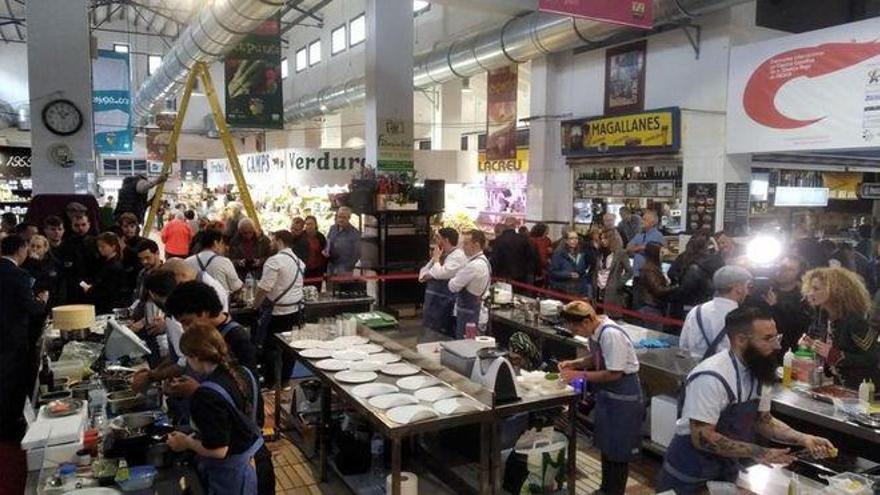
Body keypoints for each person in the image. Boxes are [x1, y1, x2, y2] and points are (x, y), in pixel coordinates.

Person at [656, 307, 836, 493]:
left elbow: (763, 420)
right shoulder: (712, 376)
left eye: (776, 337)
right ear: (740, 340)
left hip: (726, 469)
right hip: (689, 473)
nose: (777, 346)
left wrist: (803, 438)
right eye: (767, 339)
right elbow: (703, 438)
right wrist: (761, 452)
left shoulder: (760, 370)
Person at [165, 323, 265, 495]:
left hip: (230, 474)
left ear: (195, 357)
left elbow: (219, 451)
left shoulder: (206, 395)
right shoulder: (242, 372)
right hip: (253, 461)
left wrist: (186, 442)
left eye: (187, 357)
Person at [557, 300, 642, 495]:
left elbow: (614, 373)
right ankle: (605, 489)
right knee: (607, 447)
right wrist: (575, 363)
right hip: (608, 396)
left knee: (619, 452)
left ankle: (614, 492)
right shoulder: (596, 333)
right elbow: (597, 358)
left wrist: (578, 375)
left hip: (624, 398)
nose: (576, 332)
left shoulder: (611, 334)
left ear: (587, 321)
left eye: (576, 328)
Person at [0, 235, 48, 441]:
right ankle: (9, 425)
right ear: (21, 250)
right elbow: (30, 307)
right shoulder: (18, 274)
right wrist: (42, 302)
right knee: (10, 380)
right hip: (12, 336)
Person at [802, 267, 878, 388]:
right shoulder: (822, 315)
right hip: (836, 385)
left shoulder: (855, 321)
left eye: (816, 288)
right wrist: (812, 345)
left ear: (836, 291)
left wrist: (836, 355)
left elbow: (873, 358)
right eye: (810, 288)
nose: (810, 293)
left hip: (861, 389)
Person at [165, 281, 257, 373]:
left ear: (205, 311)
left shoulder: (236, 337)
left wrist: (197, 387)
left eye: (188, 322)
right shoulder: (203, 334)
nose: (185, 329)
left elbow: (248, 381)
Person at [254, 230, 305, 388]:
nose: (270, 243)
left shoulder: (274, 261)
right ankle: (285, 381)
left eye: (272, 240)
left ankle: (270, 383)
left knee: (270, 348)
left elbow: (264, 287)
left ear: (279, 240)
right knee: (290, 348)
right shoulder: (299, 262)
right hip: (295, 311)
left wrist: (255, 305)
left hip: (276, 312)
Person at [679, 265, 753, 360]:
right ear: (738, 288)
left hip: (695, 370)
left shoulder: (696, 311)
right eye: (748, 286)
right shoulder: (742, 318)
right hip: (725, 373)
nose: (748, 292)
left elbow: (683, 345)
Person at [419, 227, 467, 336]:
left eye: (438, 238)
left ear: (446, 240)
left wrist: (436, 260)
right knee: (428, 331)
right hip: (432, 301)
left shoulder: (458, 256)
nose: (436, 241)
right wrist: (435, 262)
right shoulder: (441, 254)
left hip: (445, 302)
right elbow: (423, 274)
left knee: (441, 333)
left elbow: (441, 273)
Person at [763, 255, 812, 358]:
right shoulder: (765, 289)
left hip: (790, 351)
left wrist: (775, 307)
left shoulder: (804, 296)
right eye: (781, 267)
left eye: (790, 269)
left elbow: (800, 326)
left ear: (799, 273)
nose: (783, 271)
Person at [448, 229, 492, 338]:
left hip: (469, 317)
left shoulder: (474, 266)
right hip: (474, 313)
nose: (463, 247)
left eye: (466, 243)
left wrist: (455, 277)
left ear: (476, 245)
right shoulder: (484, 261)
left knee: (465, 349)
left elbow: (453, 286)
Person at [667, 232, 716, 315]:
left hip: (683, 304)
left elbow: (671, 273)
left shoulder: (684, 257)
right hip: (701, 304)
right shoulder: (709, 261)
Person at [57, 213, 99, 305]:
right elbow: (66, 271)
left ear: (89, 224)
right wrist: (81, 283)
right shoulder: (66, 245)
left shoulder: (97, 243)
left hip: (95, 287)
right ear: (71, 226)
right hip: (73, 289)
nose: (80, 228)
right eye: (77, 225)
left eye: (83, 224)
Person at [186, 229, 243, 296]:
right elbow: (237, 287)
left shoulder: (187, 262)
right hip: (219, 304)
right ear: (215, 243)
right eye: (222, 243)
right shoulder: (224, 262)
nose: (224, 247)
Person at [85, 232, 130, 315]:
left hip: (109, 308)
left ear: (113, 247)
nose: (100, 249)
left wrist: (91, 289)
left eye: (103, 246)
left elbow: (109, 290)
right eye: (98, 246)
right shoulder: (106, 263)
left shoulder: (114, 266)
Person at [626, 210, 665, 307]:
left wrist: (639, 248)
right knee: (636, 303)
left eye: (645, 219)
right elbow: (628, 248)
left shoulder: (658, 236)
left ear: (652, 222)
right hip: (637, 275)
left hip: (649, 276)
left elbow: (651, 250)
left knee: (647, 304)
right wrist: (641, 247)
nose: (642, 221)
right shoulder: (639, 235)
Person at [163, 258, 229, 311]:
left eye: (173, 280)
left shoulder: (209, 290)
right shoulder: (199, 285)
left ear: (182, 275)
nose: (174, 286)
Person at [592, 228, 632, 315]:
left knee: (609, 317)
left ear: (612, 239)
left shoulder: (621, 253)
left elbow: (629, 271)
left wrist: (618, 283)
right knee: (597, 315)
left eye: (605, 238)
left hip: (612, 291)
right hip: (598, 289)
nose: (603, 241)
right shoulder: (599, 252)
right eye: (601, 238)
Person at [635, 243, 673, 330]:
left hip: (654, 307)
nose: (663, 256)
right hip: (651, 308)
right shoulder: (649, 270)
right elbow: (658, 289)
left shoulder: (654, 268)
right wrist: (675, 287)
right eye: (661, 253)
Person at [22, 234, 64, 308]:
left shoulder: (54, 263)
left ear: (45, 248)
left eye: (38, 247)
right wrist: (33, 262)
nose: (34, 249)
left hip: (51, 301)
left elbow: (59, 284)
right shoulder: (24, 263)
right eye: (32, 246)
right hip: (32, 301)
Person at [490, 216, 536, 284]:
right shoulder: (522, 239)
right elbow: (530, 257)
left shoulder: (498, 240)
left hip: (503, 276)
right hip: (521, 275)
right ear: (515, 225)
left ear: (505, 225)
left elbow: (495, 259)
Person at [548, 230, 590, 296]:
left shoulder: (581, 254)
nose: (574, 240)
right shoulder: (558, 254)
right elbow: (552, 272)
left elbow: (583, 274)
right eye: (571, 238)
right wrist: (569, 274)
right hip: (562, 290)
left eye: (576, 238)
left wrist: (585, 293)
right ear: (566, 241)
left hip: (577, 291)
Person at [324, 206, 361, 275]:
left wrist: (347, 268)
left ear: (349, 218)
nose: (341, 219)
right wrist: (326, 250)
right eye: (339, 217)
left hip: (345, 271)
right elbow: (328, 243)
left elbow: (357, 254)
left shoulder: (355, 233)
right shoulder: (332, 229)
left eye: (344, 217)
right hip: (331, 268)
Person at [118, 213, 145, 294]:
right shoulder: (119, 240)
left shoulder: (142, 242)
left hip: (133, 282)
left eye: (132, 226)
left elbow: (138, 259)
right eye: (125, 227)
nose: (129, 229)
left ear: (136, 227)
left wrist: (125, 248)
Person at [302, 215, 327, 289]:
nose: (309, 226)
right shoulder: (301, 236)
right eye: (307, 224)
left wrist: (325, 270)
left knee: (316, 290)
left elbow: (325, 253)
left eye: (311, 224)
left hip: (317, 270)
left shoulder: (320, 237)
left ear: (315, 225)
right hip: (304, 269)